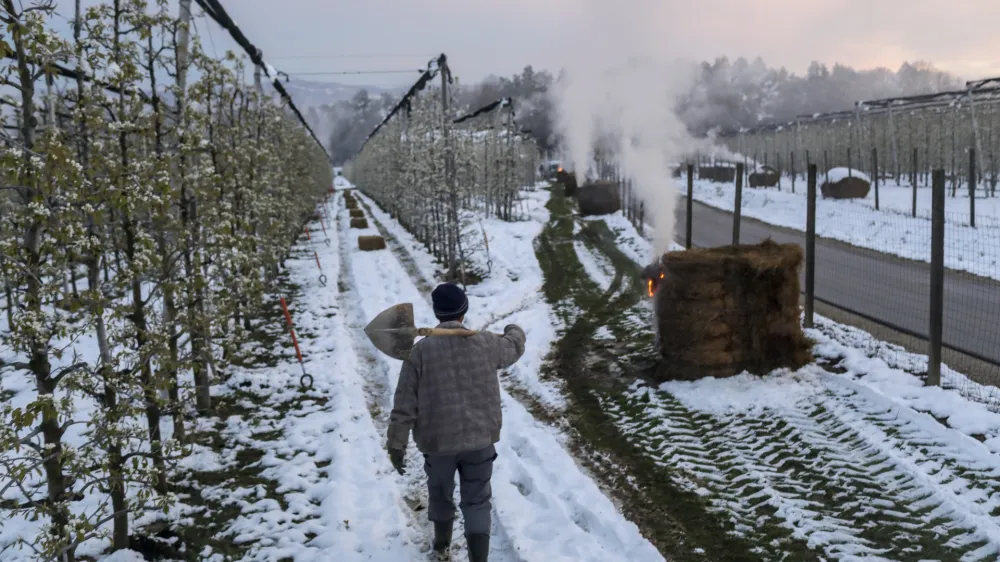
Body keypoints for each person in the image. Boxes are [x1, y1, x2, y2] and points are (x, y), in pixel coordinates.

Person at [386, 283, 526, 562]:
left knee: (440, 493)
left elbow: (404, 405)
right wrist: (514, 329)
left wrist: (396, 444)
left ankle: (441, 546)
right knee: (477, 501)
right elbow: (514, 346)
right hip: (479, 442)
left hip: (437, 444)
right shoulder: (486, 343)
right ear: (464, 311)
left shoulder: (419, 353)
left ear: (438, 313)